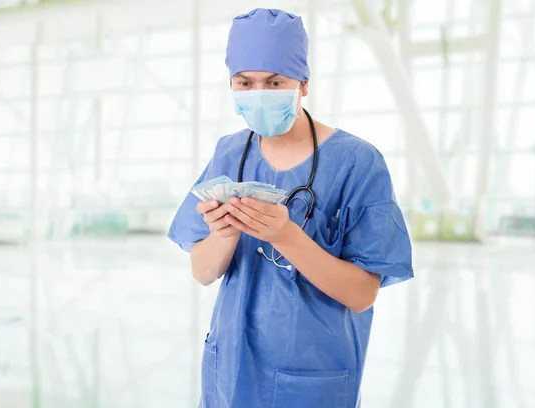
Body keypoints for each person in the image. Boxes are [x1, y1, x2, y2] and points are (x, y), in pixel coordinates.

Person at [168, 8, 413, 408]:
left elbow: (362, 294)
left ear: (302, 85)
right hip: (230, 368)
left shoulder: (356, 162)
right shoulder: (230, 153)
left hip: (313, 372)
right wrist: (224, 233)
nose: (258, 92)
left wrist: (286, 236)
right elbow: (204, 271)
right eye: (245, 82)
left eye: (274, 81)